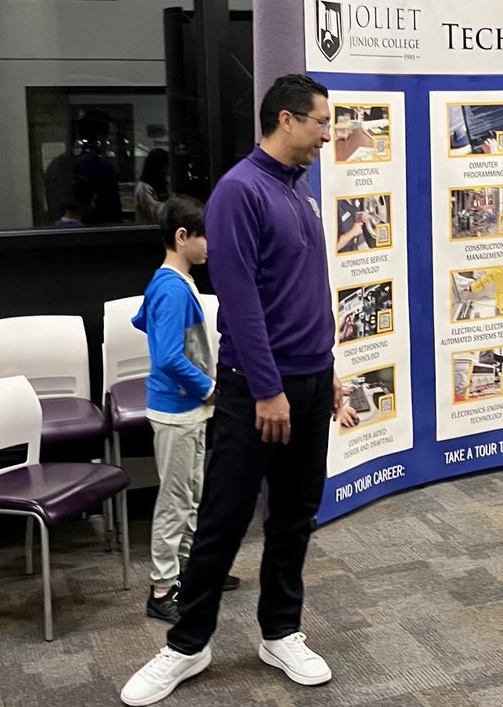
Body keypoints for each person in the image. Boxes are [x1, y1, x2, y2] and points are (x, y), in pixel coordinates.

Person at [121, 73, 341, 706]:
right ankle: (187, 644)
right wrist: (269, 389)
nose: (328, 135)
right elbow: (240, 302)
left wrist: (326, 368)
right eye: (322, 122)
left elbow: (308, 289)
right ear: (286, 119)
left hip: (311, 379)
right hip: (257, 388)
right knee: (222, 518)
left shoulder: (300, 189)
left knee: (295, 516)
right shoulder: (239, 191)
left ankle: (281, 632)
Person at [131, 194, 237, 626]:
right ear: (182, 237)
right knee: (175, 502)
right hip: (177, 411)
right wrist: (208, 388)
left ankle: (194, 571)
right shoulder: (172, 288)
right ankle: (161, 589)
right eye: (205, 236)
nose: (211, 245)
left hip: (187, 410)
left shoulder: (176, 282)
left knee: (191, 495)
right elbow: (169, 357)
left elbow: (146, 322)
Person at [134, 148, 172, 224]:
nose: (166, 171)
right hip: (149, 228)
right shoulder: (144, 188)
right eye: (165, 168)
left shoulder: (162, 184)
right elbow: (156, 213)